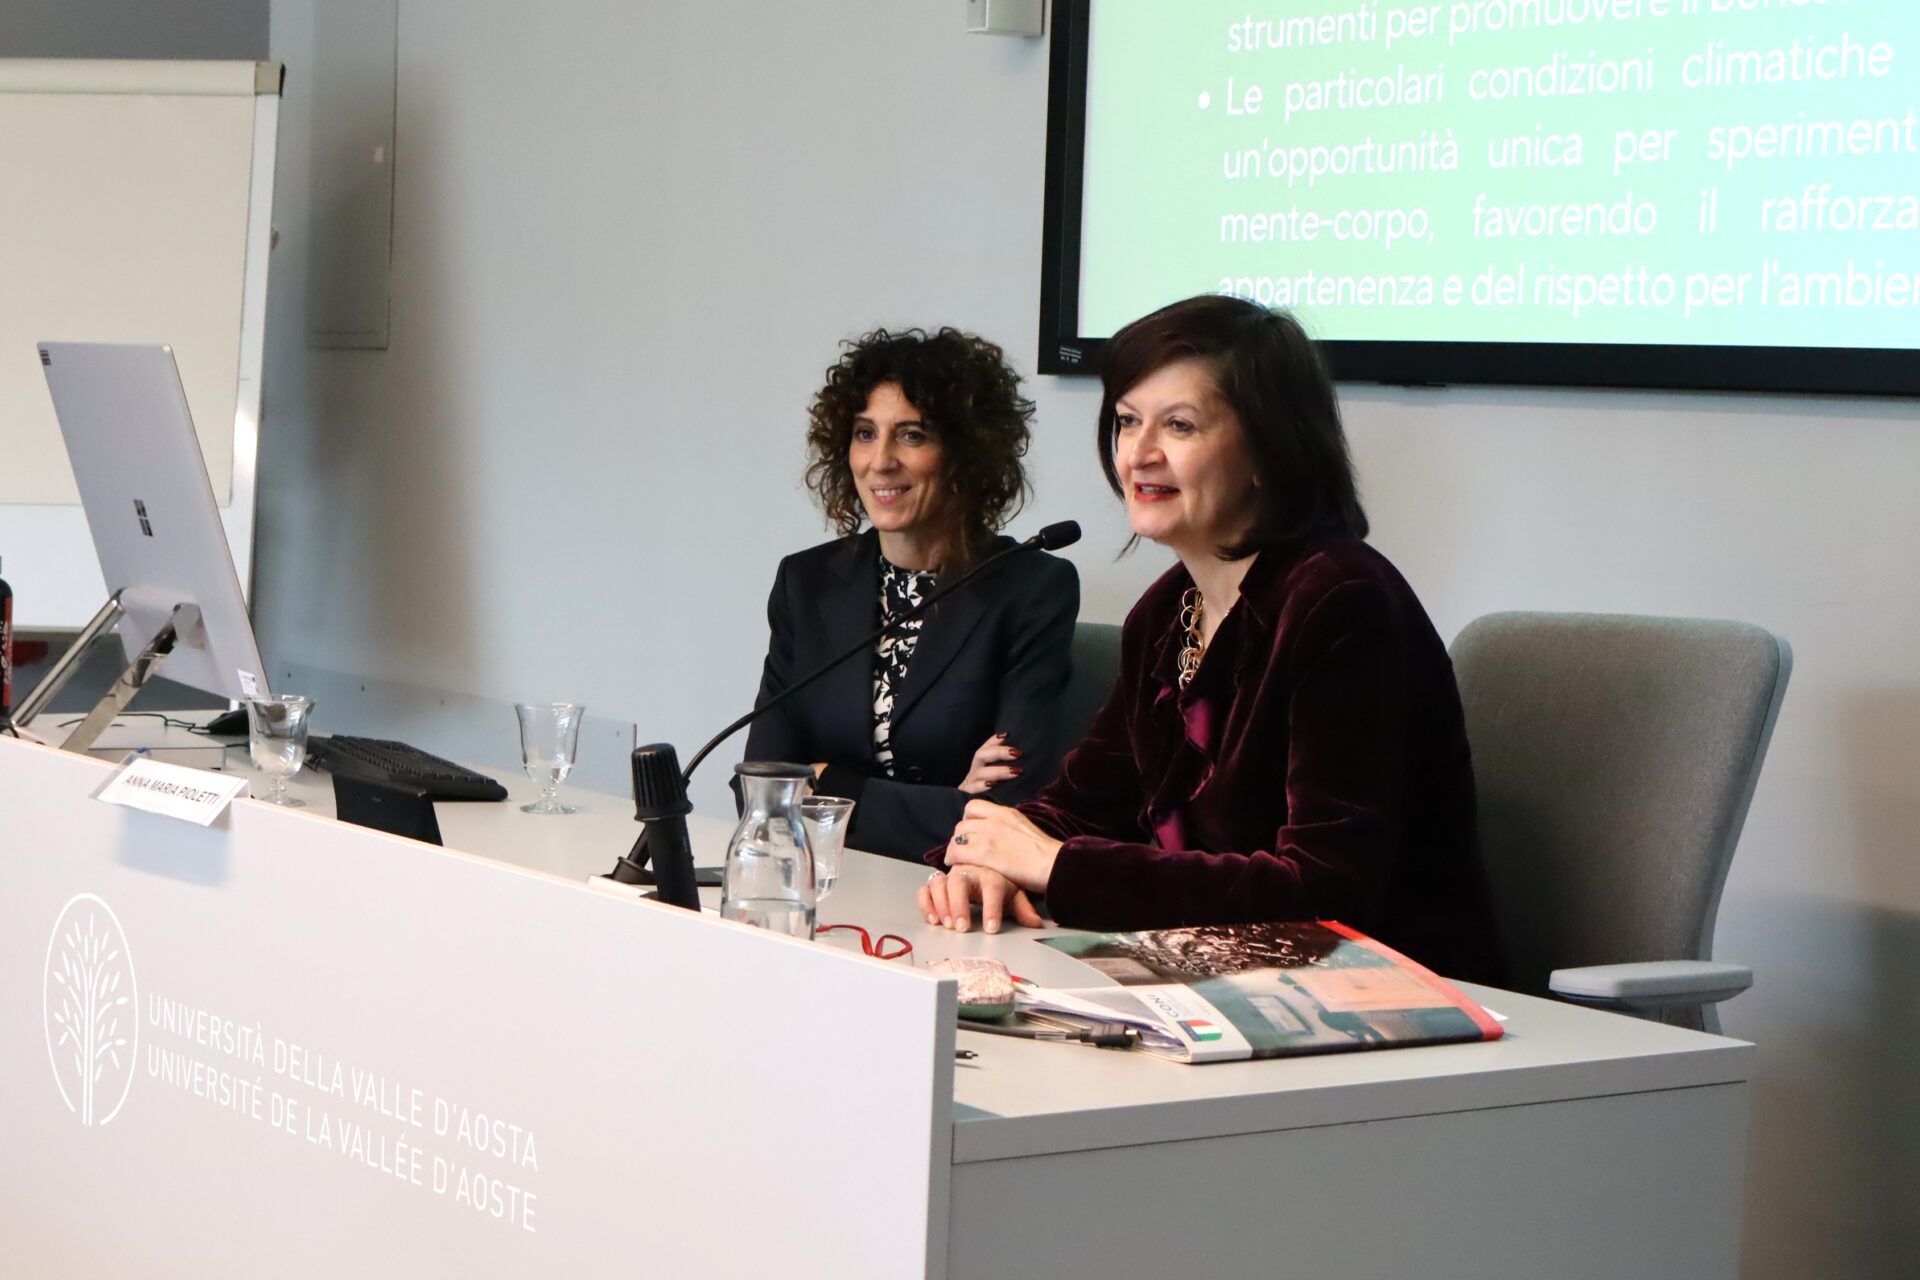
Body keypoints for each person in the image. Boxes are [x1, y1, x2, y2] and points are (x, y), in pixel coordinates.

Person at [917, 295, 1503, 983]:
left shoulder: (1342, 603)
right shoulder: (1168, 612)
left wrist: (1054, 865)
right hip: (1218, 984)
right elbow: (1081, 804)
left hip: (1385, 1000)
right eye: (1128, 421)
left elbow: (1328, 891)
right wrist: (984, 862)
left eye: (1181, 426)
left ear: (1268, 449)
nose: (1139, 452)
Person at [742, 327, 1079, 861]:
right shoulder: (806, 584)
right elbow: (760, 787)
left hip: (948, 892)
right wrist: (952, 802)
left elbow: (1009, 814)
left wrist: (831, 783)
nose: (880, 461)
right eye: (864, 433)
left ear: (966, 454)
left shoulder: (1031, 589)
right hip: (821, 875)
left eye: (912, 435)